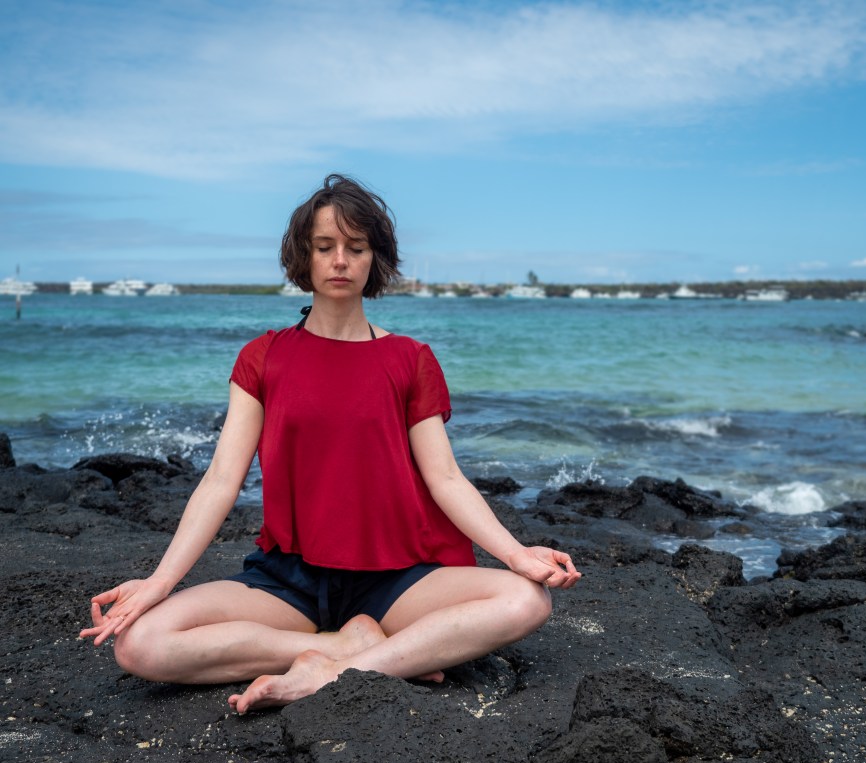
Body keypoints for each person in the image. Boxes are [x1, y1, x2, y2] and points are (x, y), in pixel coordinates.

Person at [80, 173, 581, 713]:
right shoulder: (263, 357)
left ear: (374, 259)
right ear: (305, 256)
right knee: (139, 642)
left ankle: (331, 675)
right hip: (289, 580)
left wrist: (515, 554)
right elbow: (223, 480)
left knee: (526, 599)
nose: (340, 260)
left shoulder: (410, 359)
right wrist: (158, 582)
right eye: (325, 247)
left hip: (398, 581)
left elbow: (446, 478)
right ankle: (337, 648)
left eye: (355, 247)